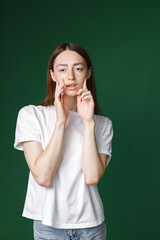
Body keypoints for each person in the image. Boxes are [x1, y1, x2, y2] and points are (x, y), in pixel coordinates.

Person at [14, 43, 113, 240]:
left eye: (78, 68)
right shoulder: (31, 115)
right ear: (52, 75)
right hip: (48, 226)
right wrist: (61, 121)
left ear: (88, 73)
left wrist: (87, 123)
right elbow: (43, 176)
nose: (70, 77)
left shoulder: (102, 124)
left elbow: (92, 176)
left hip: (91, 226)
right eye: (62, 69)